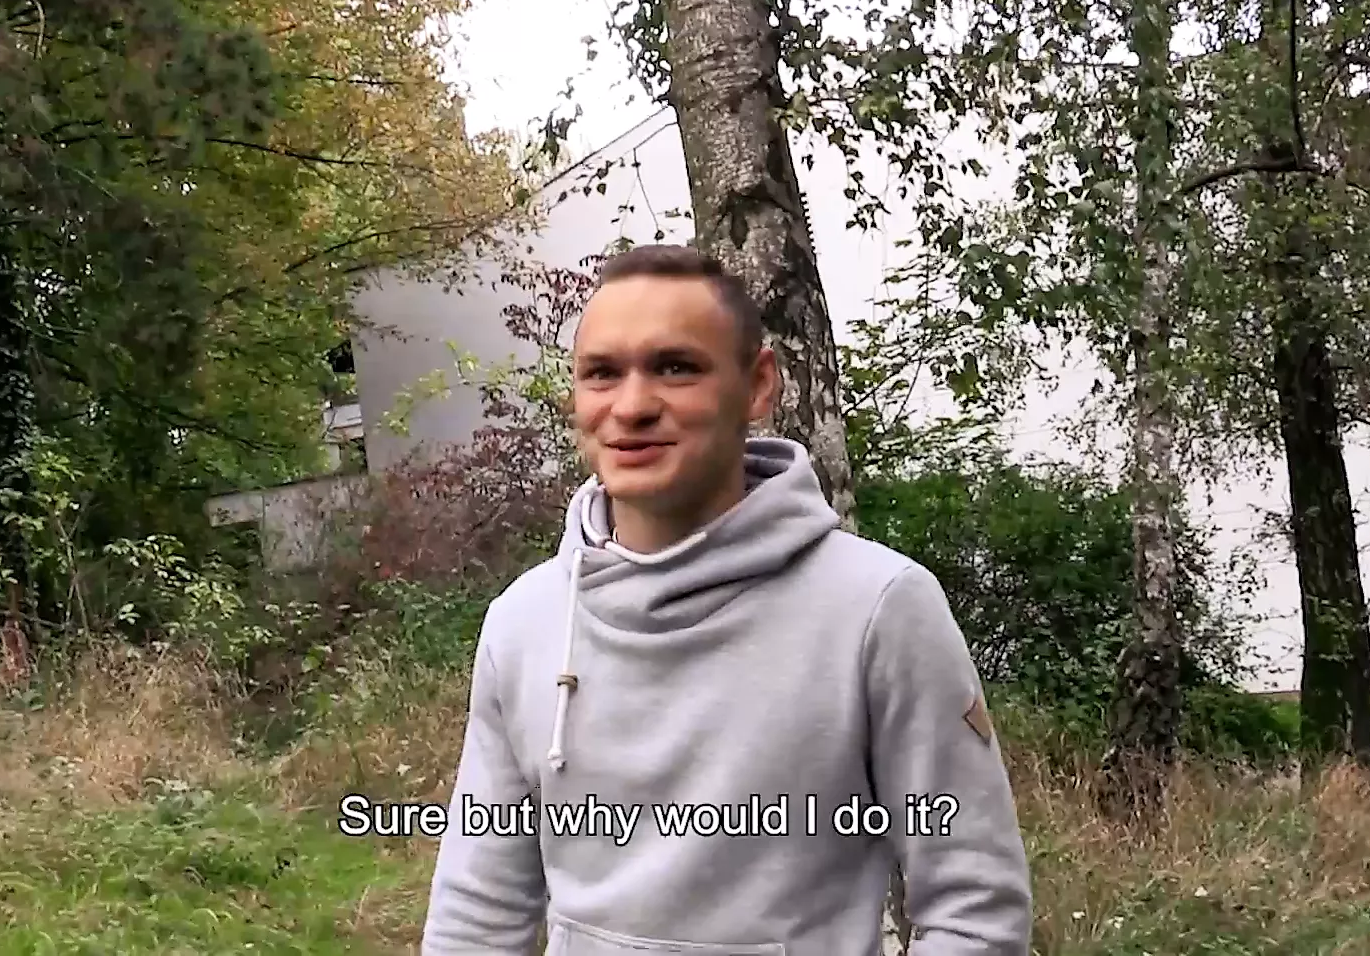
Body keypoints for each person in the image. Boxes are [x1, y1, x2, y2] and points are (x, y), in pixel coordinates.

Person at [421, 244, 1033, 955]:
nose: (632, 406)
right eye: (602, 373)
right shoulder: (523, 623)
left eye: (675, 367)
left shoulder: (878, 609)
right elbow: (477, 913)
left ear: (757, 386)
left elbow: (976, 912)